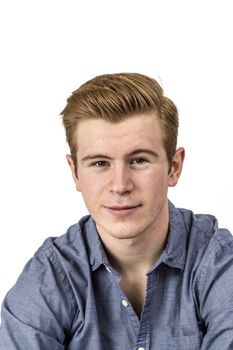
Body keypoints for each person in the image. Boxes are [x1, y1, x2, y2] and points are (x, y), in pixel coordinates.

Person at [0, 73, 233, 350]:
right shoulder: (50, 275)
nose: (120, 186)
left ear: (174, 167)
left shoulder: (217, 261)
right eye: (100, 163)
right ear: (75, 173)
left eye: (139, 160)